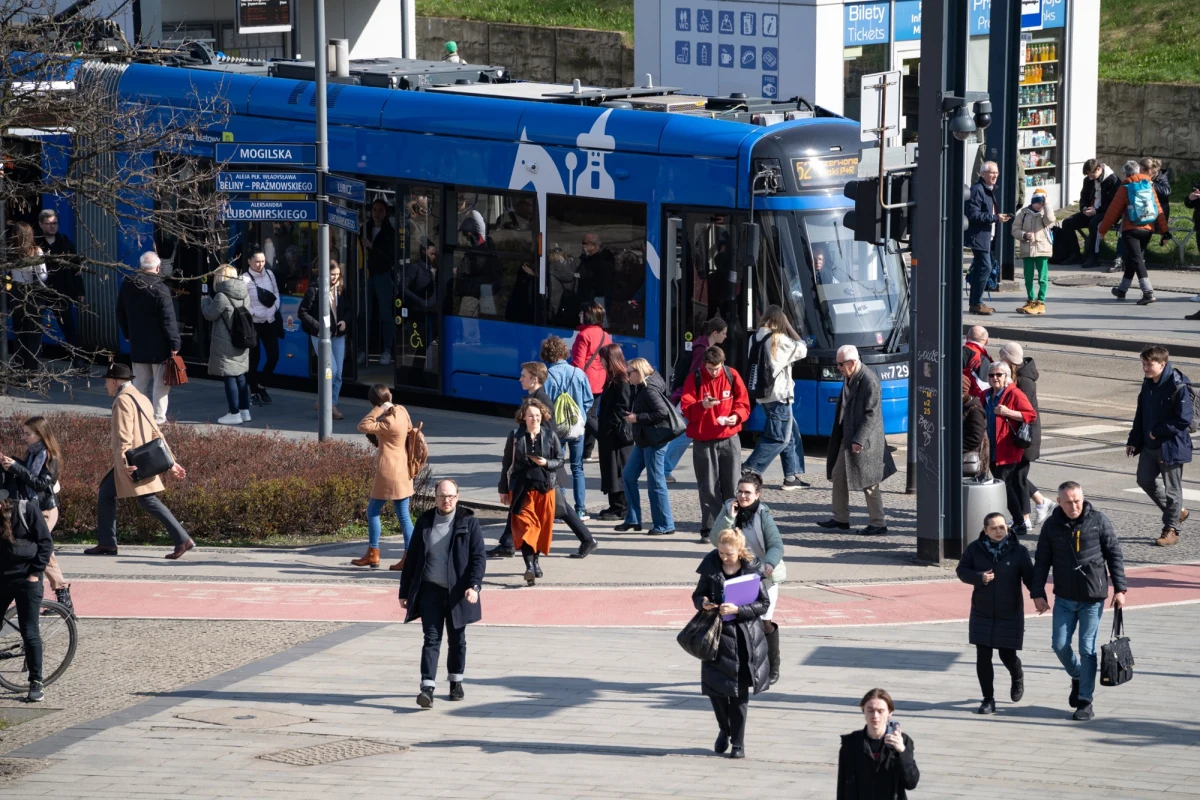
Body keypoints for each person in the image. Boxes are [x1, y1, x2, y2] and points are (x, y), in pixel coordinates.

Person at [1031, 481, 1127, 721]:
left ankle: (1085, 700)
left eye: (1078, 501)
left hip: (1092, 598)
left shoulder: (1099, 520)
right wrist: (1037, 593)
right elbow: (1042, 559)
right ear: (1059, 502)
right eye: (1069, 502)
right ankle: (1078, 675)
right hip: (1063, 596)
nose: (1074, 506)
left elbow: (1114, 554)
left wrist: (1120, 589)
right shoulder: (1051, 526)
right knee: (1059, 645)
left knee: (1086, 648)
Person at [85, 361, 193, 559]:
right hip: (143, 458)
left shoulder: (123, 400)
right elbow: (156, 431)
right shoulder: (141, 397)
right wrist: (171, 462)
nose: (106, 385)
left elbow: (123, 434)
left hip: (132, 461)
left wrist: (125, 463)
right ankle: (107, 543)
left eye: (107, 381)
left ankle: (182, 539)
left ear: (115, 381)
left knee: (147, 500)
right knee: (106, 493)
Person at [493, 362, 597, 559]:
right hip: (538, 467)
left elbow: (550, 435)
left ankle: (587, 539)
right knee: (524, 503)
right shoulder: (533, 398)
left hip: (544, 468)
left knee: (561, 507)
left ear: (534, 379)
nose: (520, 379)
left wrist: (547, 463)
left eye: (523, 376)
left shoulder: (541, 401)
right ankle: (507, 543)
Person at [399, 479, 486, 708]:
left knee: (457, 639)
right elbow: (413, 558)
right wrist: (404, 591)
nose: (446, 500)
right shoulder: (425, 522)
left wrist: (474, 586)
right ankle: (427, 688)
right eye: (441, 496)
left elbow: (478, 558)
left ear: (457, 497)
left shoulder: (469, 522)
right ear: (435, 497)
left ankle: (455, 682)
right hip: (430, 591)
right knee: (431, 639)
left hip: (458, 593)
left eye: (450, 496)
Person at [692, 528, 770, 759]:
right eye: (721, 553)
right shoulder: (711, 566)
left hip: (744, 638)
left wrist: (738, 610)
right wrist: (703, 603)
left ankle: (738, 743)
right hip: (716, 638)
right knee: (716, 692)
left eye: (729, 554)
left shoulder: (751, 569)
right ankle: (724, 729)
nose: (725, 558)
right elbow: (698, 594)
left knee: (738, 696)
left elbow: (763, 604)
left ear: (740, 551)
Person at [710, 473, 786, 685]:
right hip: (739, 575)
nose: (743, 496)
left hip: (764, 576)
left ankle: (773, 665)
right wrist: (729, 516)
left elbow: (776, 545)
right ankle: (744, 666)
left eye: (748, 493)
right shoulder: (729, 508)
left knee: (764, 621)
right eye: (740, 491)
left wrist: (768, 565)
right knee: (738, 621)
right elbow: (715, 540)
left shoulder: (763, 514)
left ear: (757, 494)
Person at [956, 512, 1035, 714]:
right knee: (983, 656)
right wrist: (978, 577)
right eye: (994, 528)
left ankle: (1017, 676)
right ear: (985, 530)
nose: (999, 531)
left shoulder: (1018, 551)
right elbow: (962, 571)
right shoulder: (975, 549)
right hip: (982, 610)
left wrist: (1039, 596)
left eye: (1002, 527)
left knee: (1007, 655)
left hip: (1009, 611)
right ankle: (988, 699)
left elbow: (1030, 578)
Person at [820, 345, 896, 536]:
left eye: (840, 364)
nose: (837, 368)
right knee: (838, 476)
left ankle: (879, 523)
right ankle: (840, 519)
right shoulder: (849, 376)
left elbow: (872, 415)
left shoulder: (868, 380)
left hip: (865, 441)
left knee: (869, 483)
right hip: (847, 436)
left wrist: (859, 440)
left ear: (852, 363)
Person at [0, 416, 73, 614]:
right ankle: (61, 597)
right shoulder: (33, 453)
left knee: (40, 548)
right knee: (43, 550)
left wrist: (16, 467)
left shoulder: (50, 456)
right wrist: (13, 462)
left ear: (40, 434)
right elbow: (27, 475)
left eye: (28, 434)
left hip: (45, 510)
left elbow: (41, 484)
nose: (24, 437)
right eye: (23, 433)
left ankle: (58, 595)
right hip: (31, 509)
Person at [1126, 345, 1193, 547]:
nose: (1145, 368)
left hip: (1170, 446)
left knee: (1173, 490)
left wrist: (1158, 431)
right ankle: (1177, 513)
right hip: (1149, 444)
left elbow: (1184, 419)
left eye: (1149, 364)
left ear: (1163, 364)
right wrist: (1133, 440)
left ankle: (1171, 529)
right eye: (1144, 364)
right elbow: (1141, 414)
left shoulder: (1177, 386)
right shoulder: (1148, 384)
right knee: (1144, 479)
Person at [681, 346, 750, 540]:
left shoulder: (731, 375)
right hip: (704, 440)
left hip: (729, 438)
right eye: (711, 368)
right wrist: (702, 405)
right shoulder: (695, 378)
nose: (714, 372)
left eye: (717, 368)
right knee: (708, 486)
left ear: (723, 363)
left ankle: (736, 526)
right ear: (704, 364)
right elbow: (686, 408)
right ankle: (710, 528)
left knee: (733, 484)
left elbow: (743, 403)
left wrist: (736, 417)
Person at [742, 306, 809, 490]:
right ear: (780, 320)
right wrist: (788, 326)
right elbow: (803, 348)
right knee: (779, 438)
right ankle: (750, 468)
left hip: (763, 395)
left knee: (790, 432)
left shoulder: (754, 338)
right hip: (779, 395)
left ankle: (790, 476)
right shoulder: (779, 339)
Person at [0, 490, 53, 702]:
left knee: (29, 631)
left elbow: (46, 543)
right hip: (2, 580)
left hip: (27, 579)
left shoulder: (25, 509)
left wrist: (34, 573)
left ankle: (36, 681)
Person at [504, 398, 563, 585]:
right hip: (522, 490)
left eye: (537, 415)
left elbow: (560, 459)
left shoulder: (550, 435)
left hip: (545, 489)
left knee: (542, 529)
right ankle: (529, 567)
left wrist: (547, 463)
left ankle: (535, 562)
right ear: (523, 417)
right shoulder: (515, 436)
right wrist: (503, 489)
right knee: (528, 528)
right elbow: (507, 464)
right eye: (530, 415)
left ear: (542, 416)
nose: (534, 419)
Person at [355, 385, 415, 570]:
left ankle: (373, 553)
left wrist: (378, 409)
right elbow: (410, 429)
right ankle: (410, 556)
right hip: (404, 470)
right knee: (404, 515)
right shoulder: (402, 411)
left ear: (375, 402)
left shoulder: (387, 421)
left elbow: (362, 425)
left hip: (388, 472)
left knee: (372, 511)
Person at [116, 251, 180, 425]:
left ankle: (137, 415)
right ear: (158, 268)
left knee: (138, 384)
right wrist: (175, 343)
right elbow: (168, 320)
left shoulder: (128, 285)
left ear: (141, 267)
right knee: (161, 385)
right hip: (160, 347)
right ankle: (158, 418)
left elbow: (120, 312)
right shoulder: (161, 289)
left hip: (138, 344)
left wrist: (128, 334)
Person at [998, 343, 1056, 529]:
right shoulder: (1018, 376)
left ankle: (1025, 519)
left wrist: (1006, 411)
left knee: (1018, 478)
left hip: (1024, 437)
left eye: (1001, 356)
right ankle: (1039, 503)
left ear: (1008, 359)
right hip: (1018, 436)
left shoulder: (1025, 381)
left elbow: (1026, 412)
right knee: (1016, 476)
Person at [666, 317, 730, 483]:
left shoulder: (699, 345)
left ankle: (662, 468)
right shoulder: (703, 350)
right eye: (723, 333)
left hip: (691, 396)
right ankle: (664, 469)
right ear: (715, 333)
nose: (726, 337)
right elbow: (695, 375)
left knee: (682, 433)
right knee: (685, 434)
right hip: (693, 398)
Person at [1099, 160, 1168, 306]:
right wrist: (1164, 231)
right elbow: (1159, 209)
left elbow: (1112, 212)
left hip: (1131, 230)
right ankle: (1122, 290)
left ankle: (1148, 292)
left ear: (1125, 173)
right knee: (1131, 258)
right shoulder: (1149, 186)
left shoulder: (1125, 187)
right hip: (1148, 229)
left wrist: (1102, 230)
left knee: (1136, 259)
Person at [621, 358, 676, 535]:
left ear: (639, 372)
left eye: (629, 373)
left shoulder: (649, 389)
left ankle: (664, 525)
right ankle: (633, 518)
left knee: (656, 482)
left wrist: (637, 418)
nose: (627, 376)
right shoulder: (641, 386)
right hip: (645, 440)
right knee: (629, 475)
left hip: (655, 441)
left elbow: (662, 412)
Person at [983, 362, 1038, 534]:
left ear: (1006, 377)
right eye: (991, 375)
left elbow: (1031, 415)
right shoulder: (986, 395)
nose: (995, 378)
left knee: (1004, 486)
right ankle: (1017, 520)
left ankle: (1019, 522)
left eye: (999, 375)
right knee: (1004, 486)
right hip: (991, 449)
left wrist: (1007, 412)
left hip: (1006, 449)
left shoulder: (1014, 393)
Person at [542, 335, 593, 519]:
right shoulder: (578, 373)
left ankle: (562, 509)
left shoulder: (547, 376)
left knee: (558, 467)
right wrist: (581, 416)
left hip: (556, 429)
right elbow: (588, 400)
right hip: (577, 428)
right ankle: (580, 509)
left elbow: (544, 404)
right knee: (578, 467)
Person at [837, 688, 919, 799]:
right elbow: (842, 786)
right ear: (863, 710)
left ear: (890, 712)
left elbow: (911, 783)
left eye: (880, 711)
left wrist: (902, 752)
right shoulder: (851, 743)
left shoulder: (902, 741)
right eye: (870, 710)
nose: (875, 716)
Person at [299, 260, 351, 420]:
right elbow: (302, 312)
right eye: (332, 275)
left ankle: (329, 402)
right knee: (332, 370)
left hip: (337, 335)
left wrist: (344, 321)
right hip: (321, 335)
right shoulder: (315, 290)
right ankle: (328, 405)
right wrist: (319, 327)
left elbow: (349, 309)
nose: (335, 278)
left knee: (339, 373)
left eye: (337, 275)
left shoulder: (341, 289)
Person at [201, 264, 252, 426]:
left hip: (225, 342)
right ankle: (245, 411)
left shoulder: (221, 297)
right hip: (242, 340)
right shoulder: (245, 293)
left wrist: (204, 301)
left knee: (229, 376)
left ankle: (234, 412)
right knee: (241, 376)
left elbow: (209, 314)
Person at [965, 161, 1013, 315]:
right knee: (985, 267)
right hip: (978, 236)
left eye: (996, 173)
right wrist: (994, 217)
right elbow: (973, 214)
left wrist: (997, 218)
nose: (995, 176)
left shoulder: (989, 189)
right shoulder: (977, 190)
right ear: (983, 173)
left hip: (987, 236)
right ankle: (976, 303)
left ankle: (975, 303)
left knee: (982, 268)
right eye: (992, 173)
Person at [36, 209, 84, 359]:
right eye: (49, 224)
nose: (52, 227)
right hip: (40, 291)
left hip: (62, 291)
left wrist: (80, 291)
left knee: (68, 327)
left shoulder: (65, 241)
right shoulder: (36, 243)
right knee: (35, 327)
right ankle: (32, 364)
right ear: (41, 224)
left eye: (55, 223)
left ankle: (78, 361)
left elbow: (76, 267)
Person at [596, 344, 634, 522]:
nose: (601, 362)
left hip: (617, 435)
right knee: (610, 469)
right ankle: (615, 504)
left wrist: (610, 423)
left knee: (617, 469)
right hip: (609, 434)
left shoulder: (621, 380)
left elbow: (623, 407)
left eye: (603, 358)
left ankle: (621, 507)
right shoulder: (614, 378)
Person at [1058, 159, 1121, 266]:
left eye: (1092, 174)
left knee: (1094, 223)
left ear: (1098, 169)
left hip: (1107, 213)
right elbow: (1084, 197)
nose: (1090, 177)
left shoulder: (1113, 180)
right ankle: (1075, 254)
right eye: (1088, 175)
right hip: (1092, 211)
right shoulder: (1088, 180)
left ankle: (1093, 256)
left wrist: (1096, 211)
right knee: (1067, 223)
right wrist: (1084, 208)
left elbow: (1114, 204)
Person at [570, 302, 611, 463]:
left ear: (588, 315)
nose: (579, 314)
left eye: (582, 312)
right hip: (600, 378)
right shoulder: (604, 334)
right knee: (592, 413)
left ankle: (607, 441)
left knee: (587, 415)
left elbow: (578, 363)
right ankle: (587, 452)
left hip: (585, 380)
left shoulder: (583, 335)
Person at [241, 248, 282, 405]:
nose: (260, 264)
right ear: (249, 261)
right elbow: (243, 302)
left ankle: (261, 384)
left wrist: (274, 308)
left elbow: (276, 293)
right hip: (254, 324)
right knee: (254, 359)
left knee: (274, 356)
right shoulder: (244, 279)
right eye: (257, 261)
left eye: (263, 261)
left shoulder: (270, 274)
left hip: (270, 321)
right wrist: (254, 313)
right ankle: (254, 391)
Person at [8, 221, 48, 369]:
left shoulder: (10, 252)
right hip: (33, 295)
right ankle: (32, 369)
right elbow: (42, 276)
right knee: (34, 334)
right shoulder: (36, 251)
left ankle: (19, 366)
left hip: (16, 294)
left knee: (19, 332)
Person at [363, 199, 396, 365]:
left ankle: (387, 350)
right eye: (374, 210)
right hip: (366, 275)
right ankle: (363, 349)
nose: (376, 213)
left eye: (380, 210)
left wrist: (371, 247)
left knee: (385, 314)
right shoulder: (365, 229)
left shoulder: (390, 233)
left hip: (383, 275)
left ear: (386, 213)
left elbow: (389, 259)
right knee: (365, 313)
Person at [1011, 190, 1055, 315]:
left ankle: (1040, 302)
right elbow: (1015, 229)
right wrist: (1024, 235)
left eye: (1042, 203)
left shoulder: (1045, 213)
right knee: (1028, 277)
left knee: (1042, 277)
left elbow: (1050, 220)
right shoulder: (1023, 213)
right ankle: (1031, 300)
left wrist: (1047, 205)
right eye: (1038, 203)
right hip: (1027, 249)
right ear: (1032, 202)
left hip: (1042, 249)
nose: (1039, 206)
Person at [577, 233, 615, 312]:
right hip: (590, 299)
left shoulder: (603, 260)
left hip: (597, 300)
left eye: (584, 243)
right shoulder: (586, 258)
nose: (582, 246)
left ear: (592, 246)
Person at [962, 374, 989, 480]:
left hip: (971, 460)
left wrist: (954, 448)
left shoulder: (974, 410)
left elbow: (975, 437)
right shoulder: (964, 406)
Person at [962, 325, 992, 400]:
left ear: (967, 338)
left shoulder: (954, 351)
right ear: (987, 341)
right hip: (968, 401)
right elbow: (983, 389)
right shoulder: (981, 359)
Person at [1140, 157, 1171, 228]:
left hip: (1158, 212)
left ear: (1149, 171)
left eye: (1142, 171)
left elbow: (1167, 191)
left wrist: (1152, 184)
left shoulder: (1161, 177)